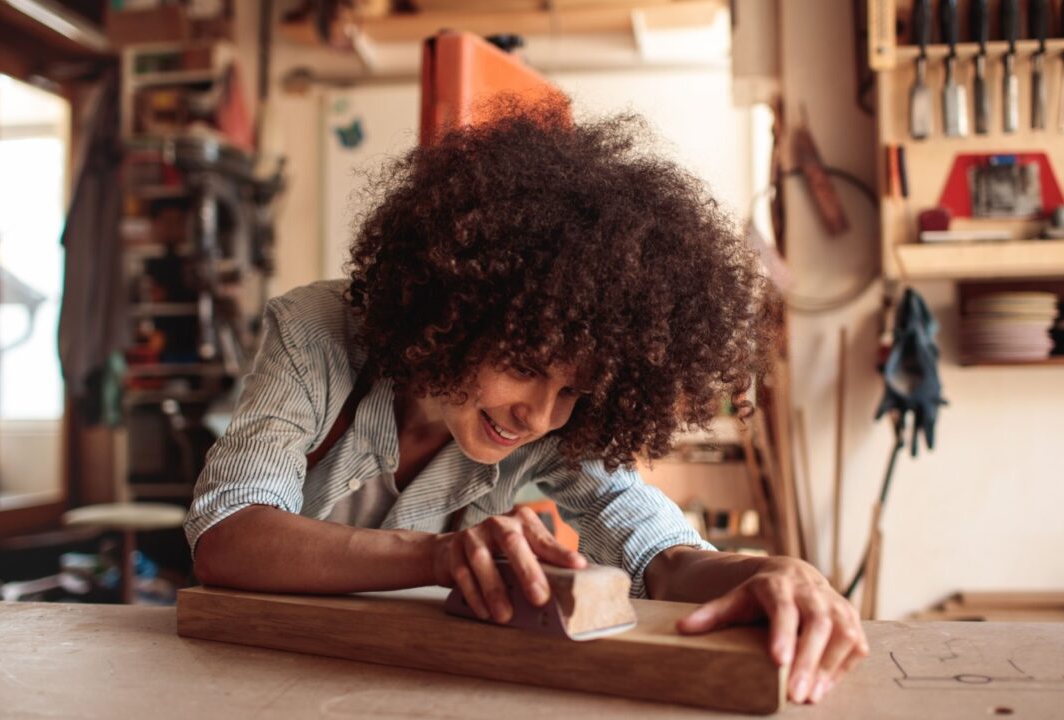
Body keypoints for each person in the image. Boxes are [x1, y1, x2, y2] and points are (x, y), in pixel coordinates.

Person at [186, 95, 866, 705]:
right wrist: (433, 557)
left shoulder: (550, 432)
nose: (540, 416)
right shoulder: (316, 333)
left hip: (401, 684)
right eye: (524, 365)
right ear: (455, 309)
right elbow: (228, 535)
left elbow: (660, 554)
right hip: (243, 673)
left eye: (573, 388)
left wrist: (777, 571)